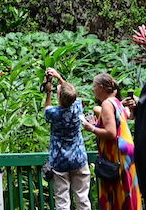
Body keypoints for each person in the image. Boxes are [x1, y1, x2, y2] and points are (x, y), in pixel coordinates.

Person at [82, 73, 141, 210]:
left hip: (116, 157)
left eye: (94, 86)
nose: (93, 89)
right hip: (125, 154)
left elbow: (111, 133)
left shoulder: (107, 104)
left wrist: (91, 128)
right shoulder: (116, 102)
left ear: (101, 88)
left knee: (117, 196)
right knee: (127, 193)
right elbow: (127, 117)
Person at [42, 68, 90, 210]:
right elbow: (71, 95)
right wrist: (59, 78)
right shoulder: (77, 107)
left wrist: (49, 91)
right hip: (79, 157)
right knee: (82, 198)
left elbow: (46, 109)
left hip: (60, 160)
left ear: (59, 97)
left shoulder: (54, 113)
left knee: (62, 201)